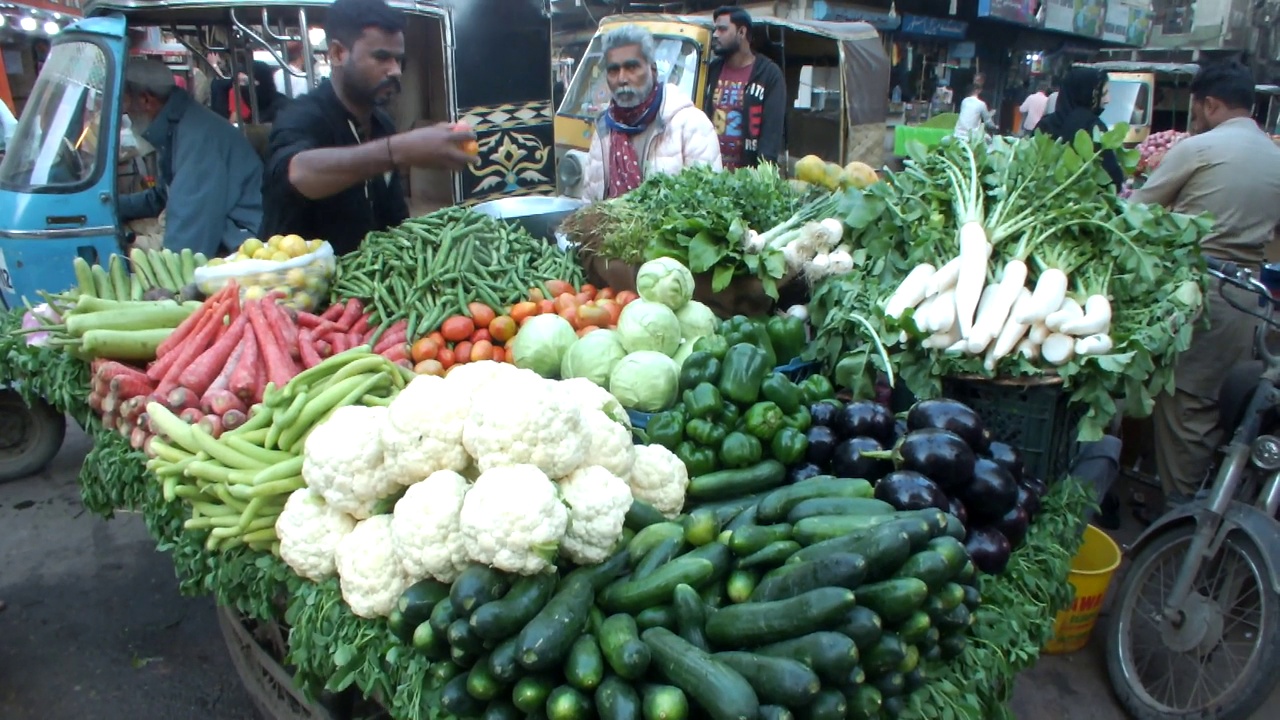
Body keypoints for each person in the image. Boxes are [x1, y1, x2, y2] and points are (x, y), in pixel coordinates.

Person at [1130, 61, 1280, 512]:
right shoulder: (1275, 155)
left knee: (1186, 406)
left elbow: (1138, 213)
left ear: (1210, 104)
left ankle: (1182, 517)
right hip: (1249, 298)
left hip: (1198, 288)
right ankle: (1181, 497)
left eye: (1195, 109)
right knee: (1215, 401)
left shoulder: (1199, 148)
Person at [259, 0, 477, 256]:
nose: (395, 71)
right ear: (338, 53)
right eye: (382, 57)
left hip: (369, 284)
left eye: (399, 60)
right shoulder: (301, 116)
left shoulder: (381, 124)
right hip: (300, 287)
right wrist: (398, 151)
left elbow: (394, 221)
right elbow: (297, 173)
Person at [117, 58, 264, 257]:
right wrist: (114, 205)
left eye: (124, 101)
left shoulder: (196, 138)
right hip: (221, 230)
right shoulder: (177, 128)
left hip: (240, 243)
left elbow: (188, 237)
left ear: (146, 100)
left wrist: (168, 281)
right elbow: (163, 195)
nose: (124, 111)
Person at [580, 25, 721, 201]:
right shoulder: (604, 130)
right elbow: (589, 205)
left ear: (653, 70)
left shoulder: (690, 125)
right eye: (614, 70)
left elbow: (708, 206)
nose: (622, 79)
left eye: (632, 67)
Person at [702, 6, 785, 170]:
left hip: (747, 179)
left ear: (741, 32)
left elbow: (771, 135)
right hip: (711, 175)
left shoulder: (769, 75)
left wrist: (761, 178)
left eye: (722, 29)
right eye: (715, 29)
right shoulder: (711, 70)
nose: (716, 35)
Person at [1036, 67, 1125, 188]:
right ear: (1087, 94)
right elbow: (1112, 179)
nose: (1108, 100)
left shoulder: (1044, 125)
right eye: (1103, 93)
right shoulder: (1093, 128)